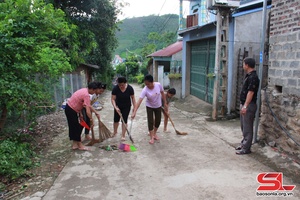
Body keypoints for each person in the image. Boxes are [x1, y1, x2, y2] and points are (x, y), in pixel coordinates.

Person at [132, 74, 167, 144]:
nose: (147, 85)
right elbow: (139, 101)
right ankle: (151, 137)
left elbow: (162, 93)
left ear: (152, 82)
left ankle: (154, 133)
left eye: (148, 84)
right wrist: (134, 111)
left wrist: (165, 103)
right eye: (146, 84)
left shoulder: (158, 85)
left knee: (158, 121)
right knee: (150, 121)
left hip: (158, 106)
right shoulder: (145, 89)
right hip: (149, 106)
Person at [236, 57, 260, 155]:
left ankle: (246, 148)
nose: (243, 66)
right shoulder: (249, 76)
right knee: (243, 126)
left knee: (248, 127)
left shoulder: (253, 77)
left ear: (247, 65)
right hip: (245, 104)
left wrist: (245, 106)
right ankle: (244, 143)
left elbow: (251, 93)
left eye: (243, 64)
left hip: (249, 105)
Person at [65, 82, 98, 150]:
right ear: (91, 89)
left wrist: (81, 114)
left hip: (70, 108)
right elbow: (88, 110)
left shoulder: (83, 90)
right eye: (94, 90)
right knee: (76, 127)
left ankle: (74, 144)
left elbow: (79, 102)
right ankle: (80, 145)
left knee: (73, 127)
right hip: (71, 110)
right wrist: (91, 119)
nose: (94, 92)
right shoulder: (86, 95)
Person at [111, 76, 136, 141]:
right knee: (116, 120)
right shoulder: (115, 88)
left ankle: (123, 135)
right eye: (119, 85)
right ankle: (115, 132)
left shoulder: (130, 88)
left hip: (126, 106)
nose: (121, 86)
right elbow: (113, 99)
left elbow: (133, 98)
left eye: (122, 85)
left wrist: (134, 109)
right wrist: (115, 107)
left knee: (124, 120)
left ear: (125, 83)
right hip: (118, 106)